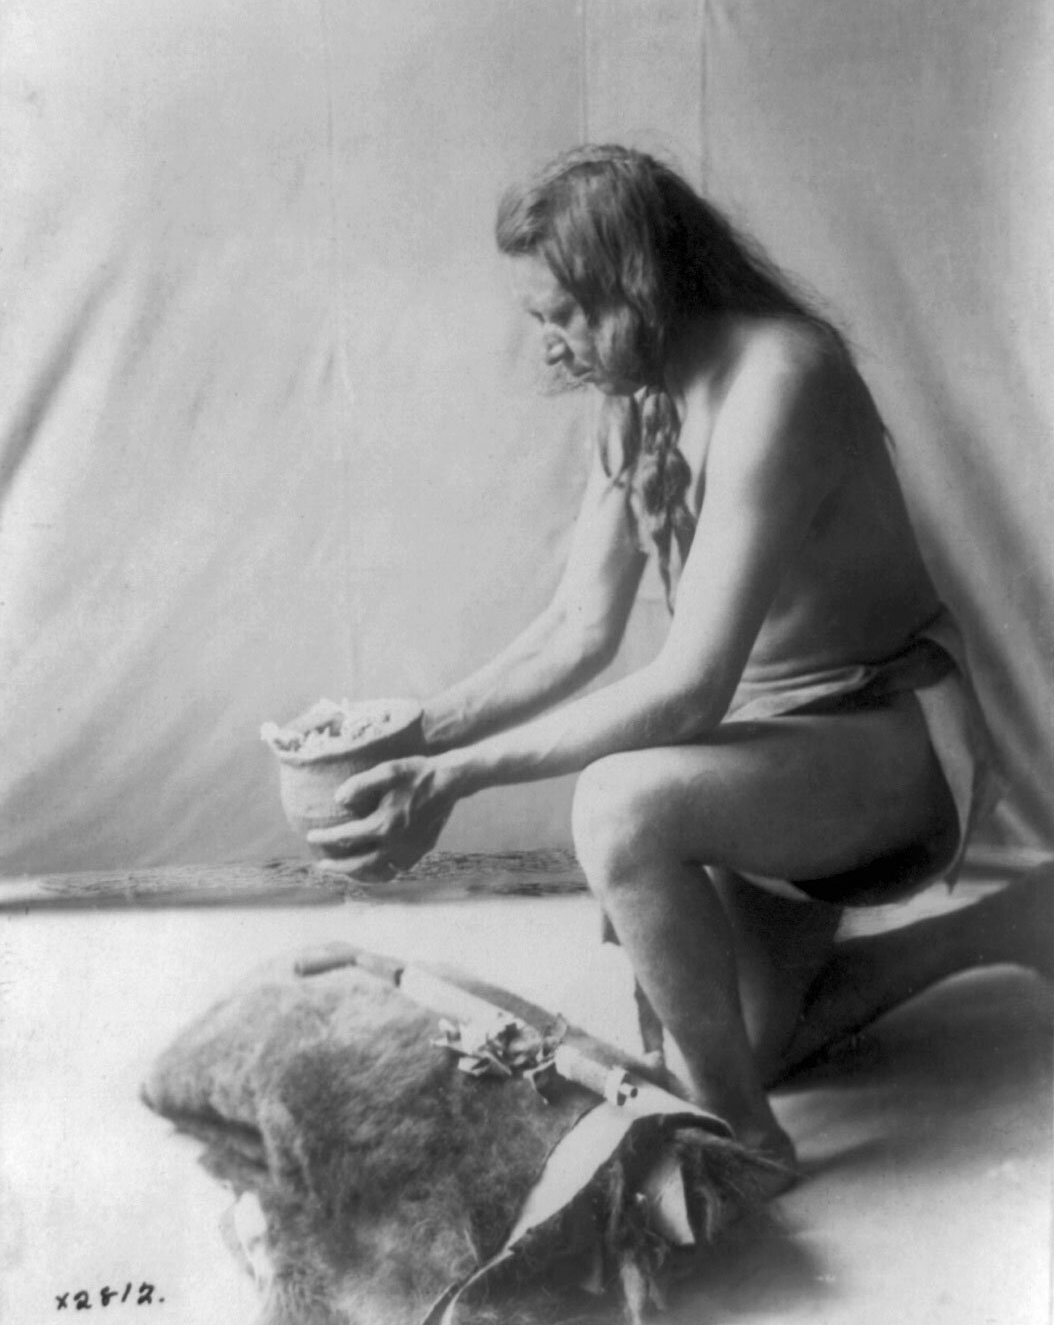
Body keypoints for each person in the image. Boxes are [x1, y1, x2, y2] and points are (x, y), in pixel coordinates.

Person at [305, 145, 1046, 1176]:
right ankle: (1013, 924)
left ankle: (745, 1146)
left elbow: (691, 690)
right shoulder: (637, 392)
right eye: (540, 318)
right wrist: (414, 739)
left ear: (641, 286)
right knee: (751, 1043)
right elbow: (577, 628)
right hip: (773, 753)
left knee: (620, 807)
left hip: (889, 741)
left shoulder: (783, 377)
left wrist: (454, 778)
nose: (552, 345)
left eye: (568, 314)